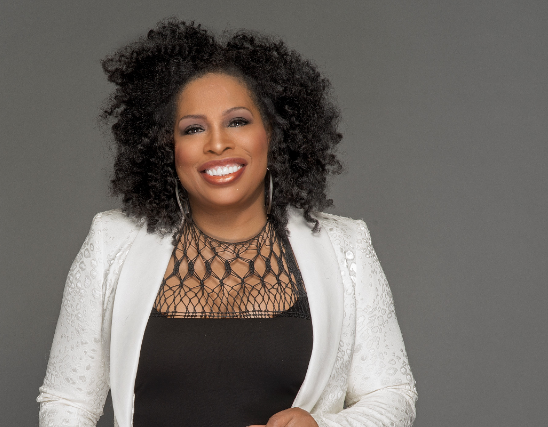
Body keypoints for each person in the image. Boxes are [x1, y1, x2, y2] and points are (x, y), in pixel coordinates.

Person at [37, 20, 417, 427]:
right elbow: (68, 402)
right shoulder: (111, 242)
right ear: (168, 147)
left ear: (272, 133)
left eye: (237, 121)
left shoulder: (345, 247)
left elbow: (392, 395)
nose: (217, 143)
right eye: (193, 129)